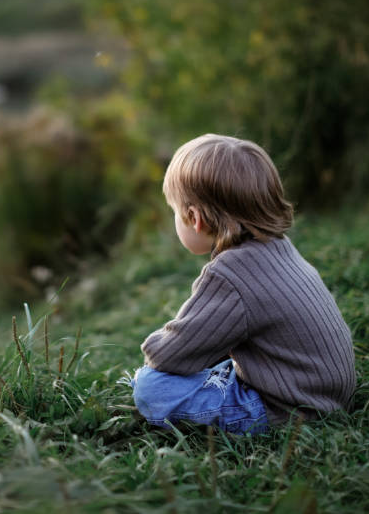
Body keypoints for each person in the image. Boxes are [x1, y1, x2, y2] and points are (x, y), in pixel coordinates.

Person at [132, 134, 356, 434]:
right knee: (211, 362)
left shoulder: (229, 274)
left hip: (289, 409)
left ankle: (230, 398)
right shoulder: (278, 247)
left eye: (175, 211)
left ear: (194, 218)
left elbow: (166, 356)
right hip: (325, 392)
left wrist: (153, 348)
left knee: (151, 386)